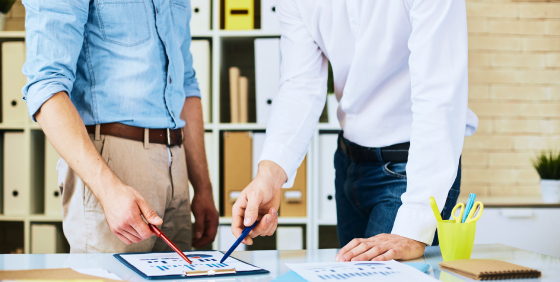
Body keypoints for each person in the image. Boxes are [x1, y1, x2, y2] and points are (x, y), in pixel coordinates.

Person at [232, 0, 478, 261]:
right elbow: (300, 84)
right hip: (349, 163)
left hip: (411, 171)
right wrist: (269, 175)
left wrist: (414, 227)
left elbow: (439, 94)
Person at [22, 0, 218, 253]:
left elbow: (186, 84)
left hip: (177, 167)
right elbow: (46, 87)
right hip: (114, 167)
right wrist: (108, 191)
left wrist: (203, 187)